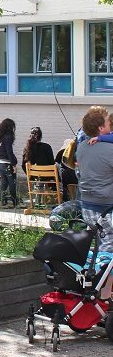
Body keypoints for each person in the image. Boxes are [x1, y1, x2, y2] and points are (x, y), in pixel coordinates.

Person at [76, 106, 113, 252]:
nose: (110, 122)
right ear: (101, 127)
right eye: (108, 121)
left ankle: (94, 273)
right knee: (108, 252)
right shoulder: (109, 149)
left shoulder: (82, 147)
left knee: (99, 246)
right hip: (107, 208)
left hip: (87, 206)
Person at [0, 118, 18, 208]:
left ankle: (3, 201)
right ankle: (15, 202)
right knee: (12, 182)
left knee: (4, 181)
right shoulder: (7, 137)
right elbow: (9, 152)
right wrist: (14, 164)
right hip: (6, 163)